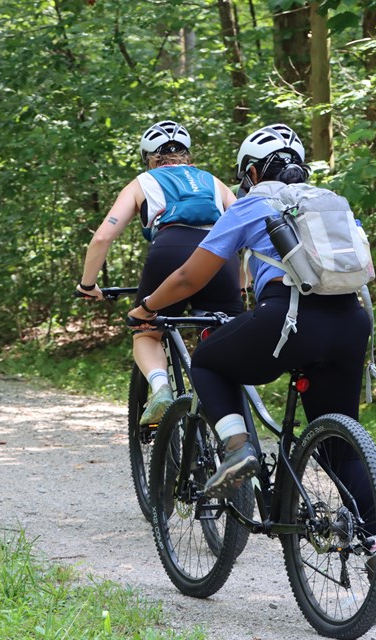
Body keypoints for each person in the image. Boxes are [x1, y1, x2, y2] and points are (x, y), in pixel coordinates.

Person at [127, 123, 376, 621]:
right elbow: (362, 269)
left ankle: (238, 447)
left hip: (289, 318)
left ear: (252, 172)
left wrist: (147, 307)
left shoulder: (252, 204)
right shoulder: (333, 200)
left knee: (210, 358)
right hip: (351, 323)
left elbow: (194, 274)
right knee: (340, 448)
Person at [77, 119, 244, 424]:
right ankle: (227, 422)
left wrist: (88, 285)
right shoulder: (212, 181)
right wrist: (242, 283)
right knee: (222, 335)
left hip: (172, 251)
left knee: (146, 329)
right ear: (188, 155)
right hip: (221, 257)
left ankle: (161, 388)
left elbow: (102, 237)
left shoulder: (143, 182)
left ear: (148, 157)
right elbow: (244, 227)